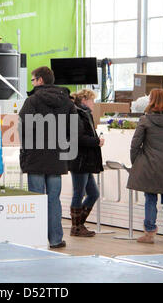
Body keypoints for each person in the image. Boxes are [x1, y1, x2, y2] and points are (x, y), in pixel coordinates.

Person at [19, 66, 77, 249]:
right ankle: (56, 239)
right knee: (54, 199)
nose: (33, 83)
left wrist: (25, 153)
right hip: (57, 158)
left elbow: (23, 129)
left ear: (41, 80)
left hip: (35, 158)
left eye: (33, 80)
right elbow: (75, 129)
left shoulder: (32, 101)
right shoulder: (67, 102)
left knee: (36, 200)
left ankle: (36, 239)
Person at [126, 89, 163, 244]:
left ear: (151, 100)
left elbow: (135, 144)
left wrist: (136, 162)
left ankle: (149, 233)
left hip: (149, 165)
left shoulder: (145, 120)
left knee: (150, 199)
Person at [69, 89, 104, 237]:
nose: (94, 104)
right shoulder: (78, 114)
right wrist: (96, 141)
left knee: (93, 193)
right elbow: (78, 138)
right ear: (84, 100)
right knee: (79, 193)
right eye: (92, 101)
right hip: (79, 160)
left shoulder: (83, 114)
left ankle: (79, 223)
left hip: (85, 160)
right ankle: (76, 226)